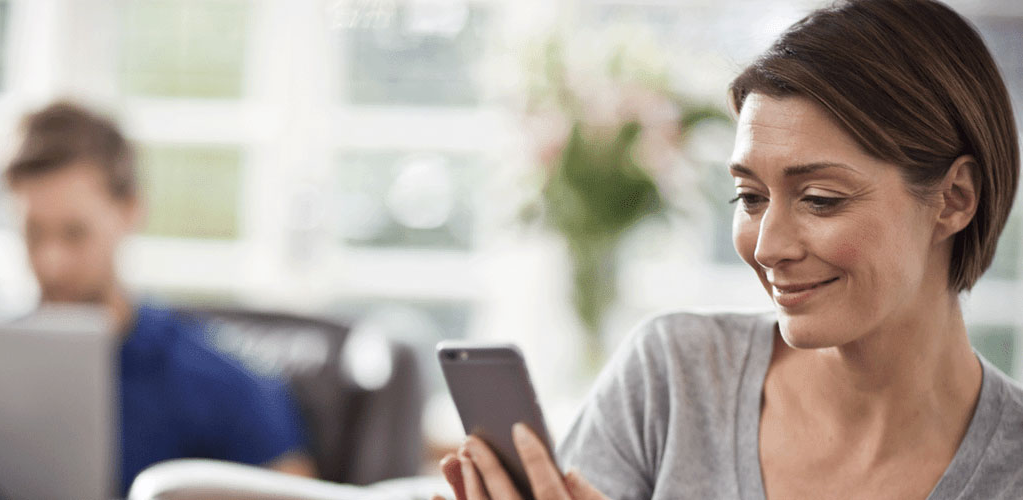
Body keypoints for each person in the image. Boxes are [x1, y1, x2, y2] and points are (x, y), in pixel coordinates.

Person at [437, 0, 1023, 498]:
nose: (767, 247)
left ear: (953, 199)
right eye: (750, 196)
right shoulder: (673, 379)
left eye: (819, 199)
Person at [3, 101, 316, 496]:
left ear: (131, 211)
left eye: (74, 233)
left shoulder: (223, 384)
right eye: (33, 233)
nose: (52, 264)